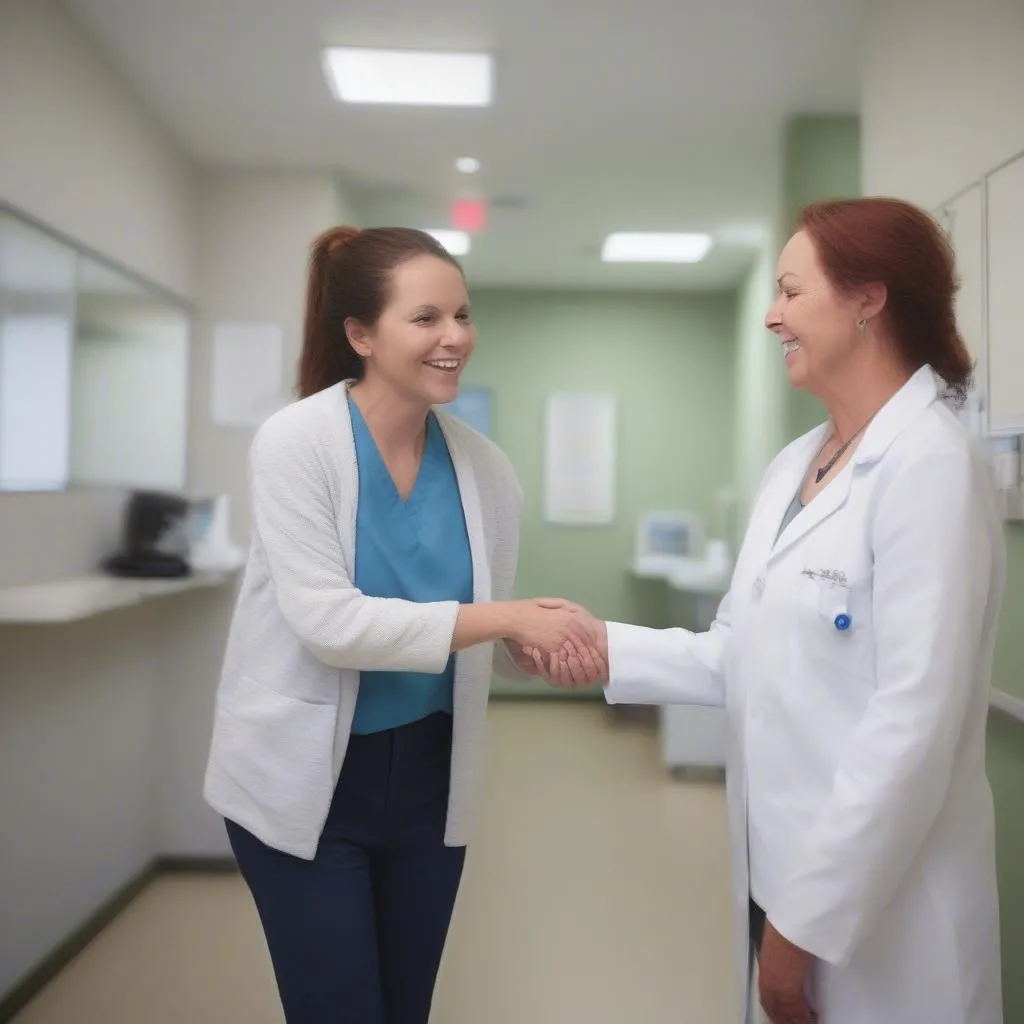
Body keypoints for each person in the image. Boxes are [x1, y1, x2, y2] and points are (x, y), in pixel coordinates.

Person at [532, 198, 1006, 1024]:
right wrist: (600, 645)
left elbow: (913, 726)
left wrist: (803, 925)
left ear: (869, 298)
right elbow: (735, 651)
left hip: (877, 909)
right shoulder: (796, 465)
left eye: (791, 291)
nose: (771, 315)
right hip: (777, 870)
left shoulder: (929, 464)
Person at [203, 225, 602, 1024]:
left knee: (405, 1011)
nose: (454, 338)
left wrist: (540, 645)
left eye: (462, 314)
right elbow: (330, 624)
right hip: (307, 784)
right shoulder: (298, 443)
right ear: (361, 334)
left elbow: (476, 634)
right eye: (425, 319)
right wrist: (506, 617)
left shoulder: (486, 470)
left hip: (428, 785)